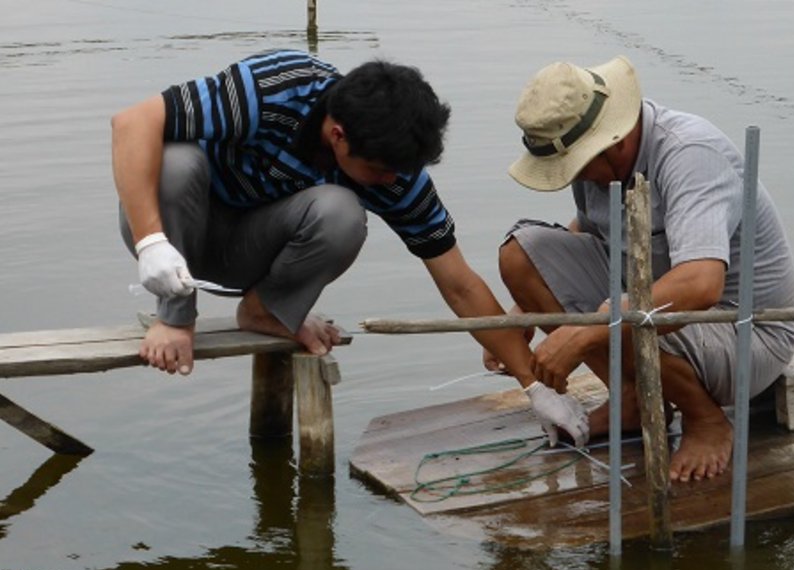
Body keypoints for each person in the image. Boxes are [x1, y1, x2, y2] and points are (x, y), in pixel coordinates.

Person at [112, 48, 586, 445]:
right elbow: (131, 123)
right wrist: (152, 242)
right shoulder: (276, 89)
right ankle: (175, 317)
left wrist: (534, 388)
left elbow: (460, 283)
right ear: (338, 135)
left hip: (252, 249)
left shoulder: (397, 175)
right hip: (177, 236)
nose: (392, 182)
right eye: (382, 170)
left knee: (341, 212)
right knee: (176, 161)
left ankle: (267, 310)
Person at [493, 56, 794, 483]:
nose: (574, 179)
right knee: (520, 258)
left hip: (743, 331)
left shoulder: (690, 155)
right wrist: (524, 311)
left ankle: (706, 419)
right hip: (653, 309)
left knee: (620, 316)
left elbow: (700, 285)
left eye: (576, 168)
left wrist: (584, 331)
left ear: (613, 143)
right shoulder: (600, 167)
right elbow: (592, 231)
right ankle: (632, 401)